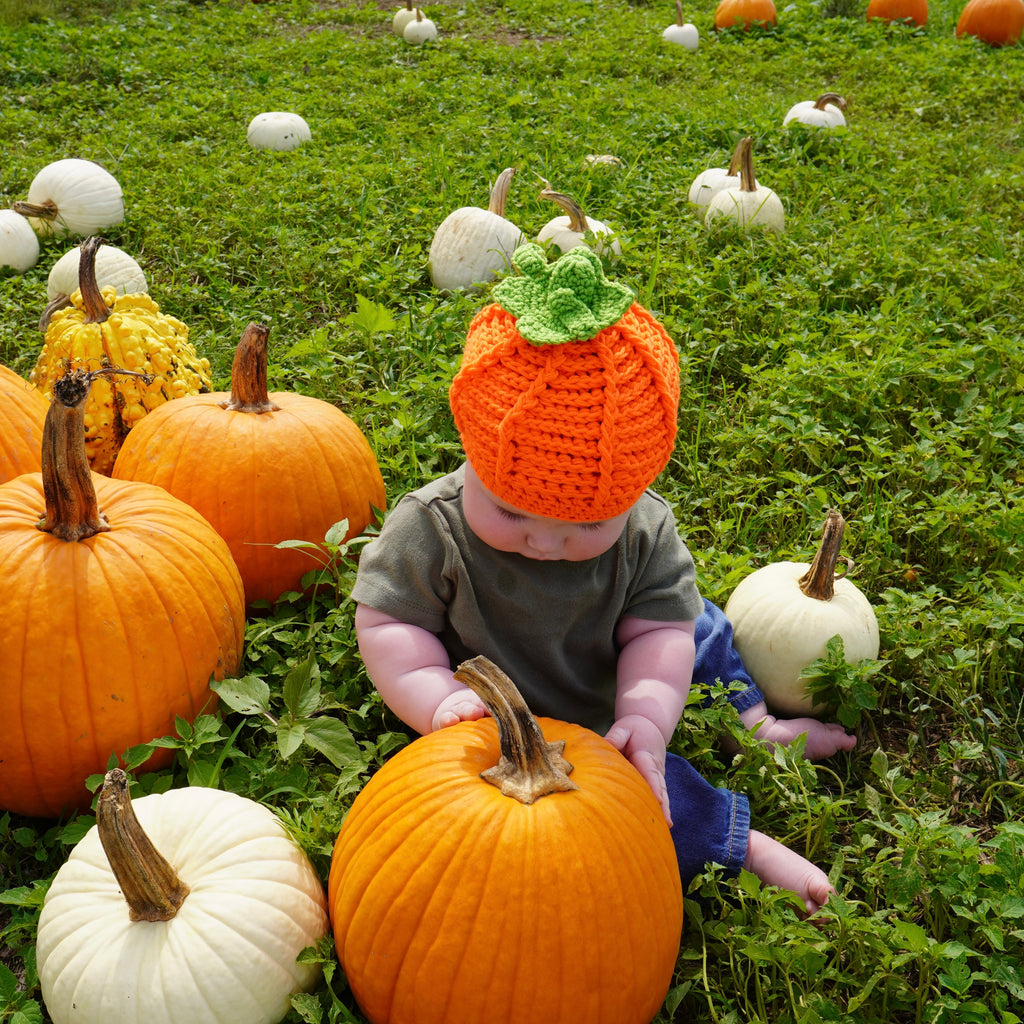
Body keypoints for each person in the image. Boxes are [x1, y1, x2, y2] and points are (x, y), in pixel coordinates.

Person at [351, 243, 849, 913]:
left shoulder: (644, 534)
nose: (547, 540)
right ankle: (743, 845)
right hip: (535, 731)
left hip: (613, 678)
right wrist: (432, 695)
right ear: (472, 455)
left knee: (693, 628)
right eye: (509, 512)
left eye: (588, 525)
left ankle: (753, 719)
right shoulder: (431, 530)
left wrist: (645, 712)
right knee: (644, 803)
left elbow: (659, 638)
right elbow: (391, 621)